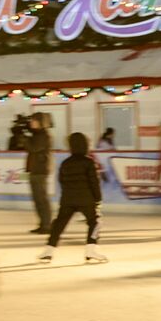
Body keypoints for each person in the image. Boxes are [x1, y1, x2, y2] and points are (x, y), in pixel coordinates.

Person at [39, 132, 107, 263]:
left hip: (67, 200)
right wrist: (98, 199)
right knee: (95, 222)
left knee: (59, 224)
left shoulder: (65, 163)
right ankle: (91, 249)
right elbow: (94, 183)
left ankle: (48, 251)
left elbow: (61, 181)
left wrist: (67, 196)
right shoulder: (89, 162)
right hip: (86, 199)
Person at [24, 112, 53, 233]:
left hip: (40, 170)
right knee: (37, 199)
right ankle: (43, 223)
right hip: (34, 170)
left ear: (41, 122)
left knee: (42, 199)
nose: (31, 123)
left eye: (34, 120)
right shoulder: (36, 135)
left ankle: (47, 225)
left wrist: (24, 137)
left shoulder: (43, 136)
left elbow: (33, 148)